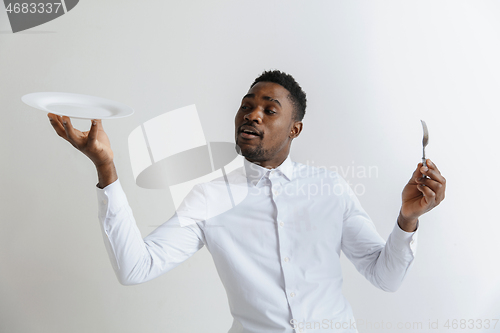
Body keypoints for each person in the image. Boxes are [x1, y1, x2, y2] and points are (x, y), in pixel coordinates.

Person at [47, 70, 446, 333]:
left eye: (269, 110)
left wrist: (407, 220)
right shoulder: (210, 197)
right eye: (247, 105)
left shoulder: (330, 188)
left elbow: (386, 277)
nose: (252, 115)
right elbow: (136, 268)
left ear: (295, 128)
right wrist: (106, 168)